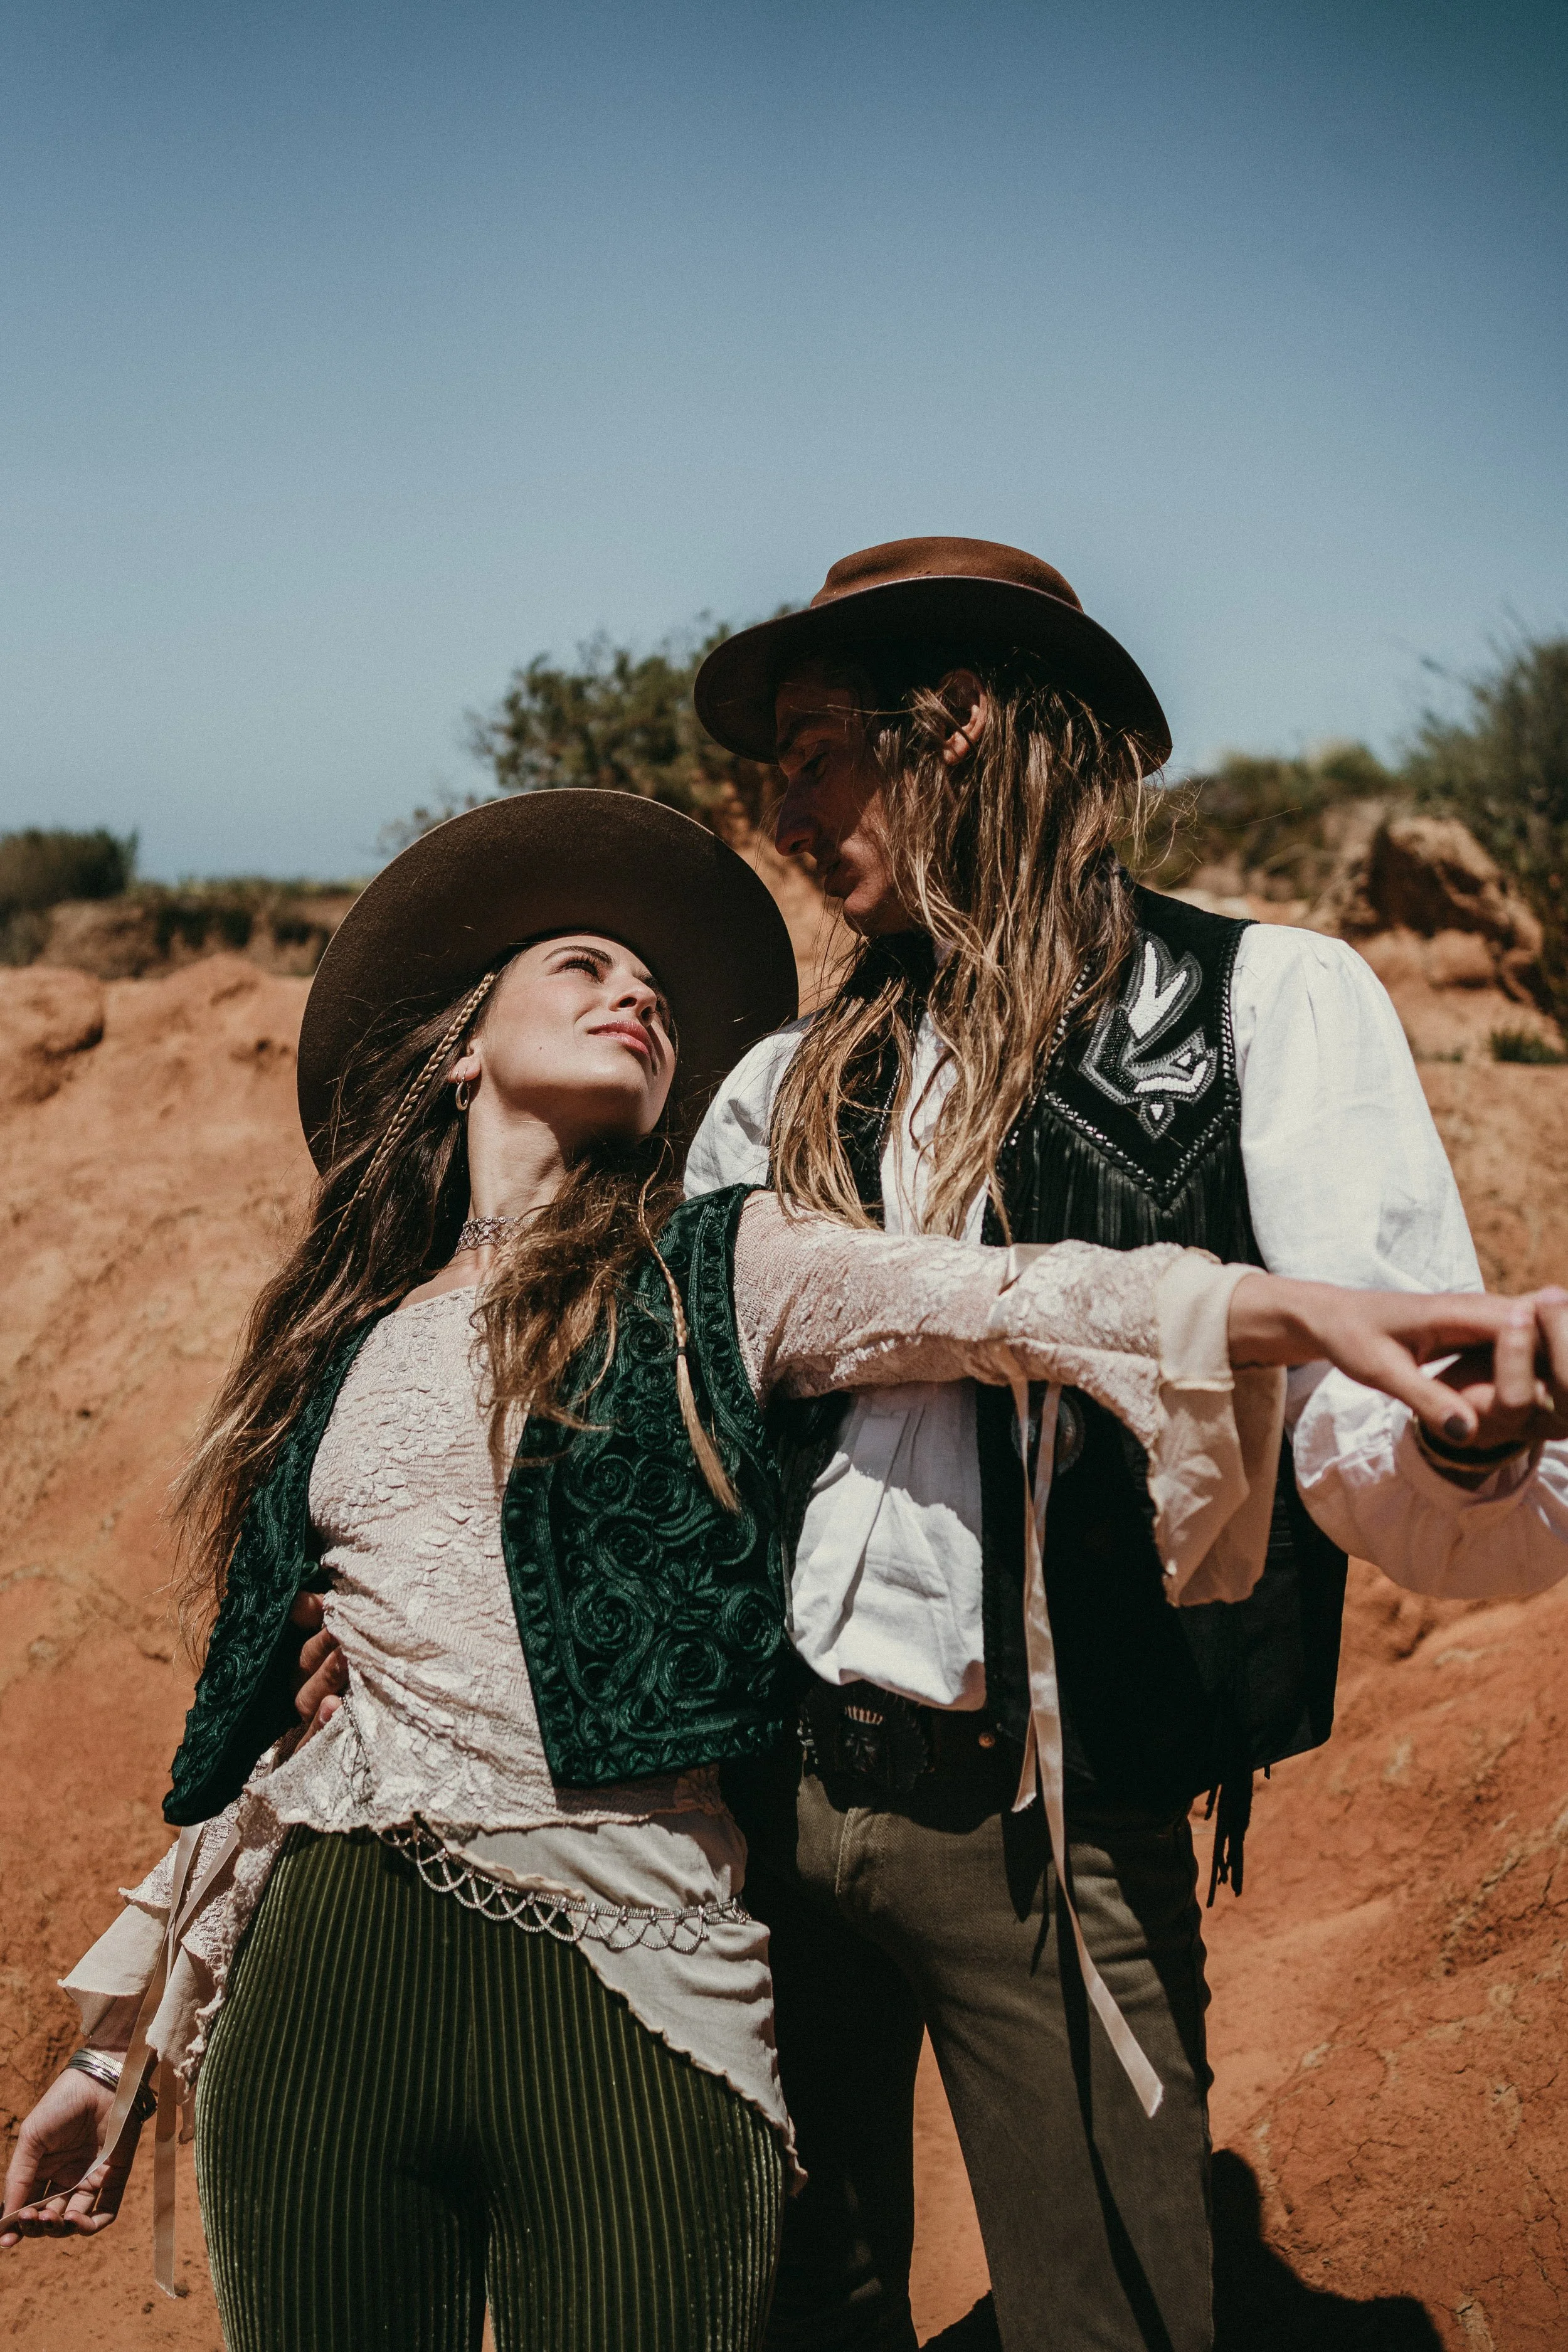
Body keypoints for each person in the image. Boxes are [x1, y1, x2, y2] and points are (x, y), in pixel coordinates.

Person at [0, 790, 1542, 2352]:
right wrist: (113, 2051)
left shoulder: (720, 1263)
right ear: (462, 1045)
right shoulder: (340, 1344)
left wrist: (1332, 1321)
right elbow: (259, 1749)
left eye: (653, 992)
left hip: (661, 1976)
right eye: (582, 967)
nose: (637, 995)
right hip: (356, 1976)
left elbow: (1035, 1295)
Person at [679, 538, 1568, 2352]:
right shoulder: (776, 1085)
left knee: (1120, 2313)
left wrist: (1471, 1447)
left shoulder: (1265, 1009)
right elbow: (681, 1417)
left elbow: (1367, 1438)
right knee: (799, 2295)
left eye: (811, 746)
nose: (778, 805)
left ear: (960, 725)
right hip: (767, 1800)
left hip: (1055, 1826)